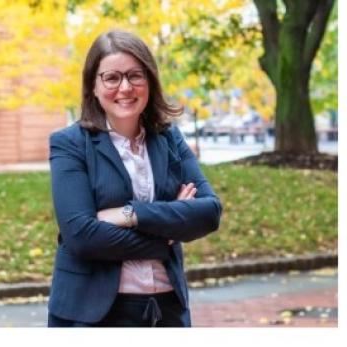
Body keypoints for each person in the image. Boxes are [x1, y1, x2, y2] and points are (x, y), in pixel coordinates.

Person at [46, 29, 222, 327]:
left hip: (167, 309)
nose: (125, 87)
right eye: (112, 77)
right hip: (93, 314)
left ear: (149, 81)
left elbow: (209, 212)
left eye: (135, 75)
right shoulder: (70, 143)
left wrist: (129, 214)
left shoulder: (169, 139)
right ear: (93, 86)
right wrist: (167, 235)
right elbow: (81, 237)